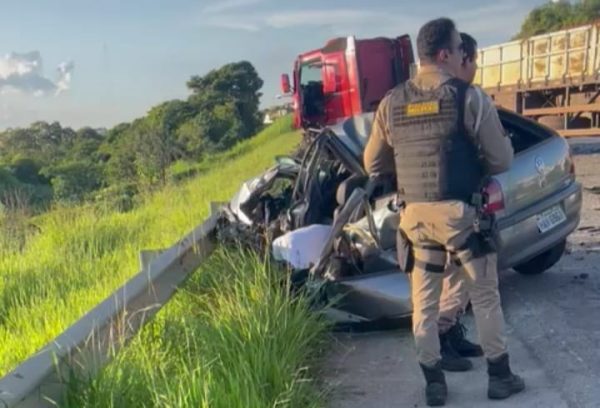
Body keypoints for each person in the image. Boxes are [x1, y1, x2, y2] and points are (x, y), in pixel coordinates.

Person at [363, 18, 524, 406]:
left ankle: (434, 384)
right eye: (458, 50)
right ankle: (500, 377)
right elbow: (502, 160)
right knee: (484, 297)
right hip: (460, 216)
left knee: (424, 304)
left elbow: (373, 164)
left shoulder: (391, 102)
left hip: (416, 219)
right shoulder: (468, 97)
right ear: (445, 54)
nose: (462, 56)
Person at [436, 32, 484, 373]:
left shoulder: (414, 96)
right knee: (460, 277)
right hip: (453, 206)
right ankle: (441, 340)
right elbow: (498, 154)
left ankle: (449, 333)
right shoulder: (466, 98)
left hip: (432, 204)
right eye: (473, 60)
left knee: (453, 278)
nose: (476, 67)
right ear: (460, 58)